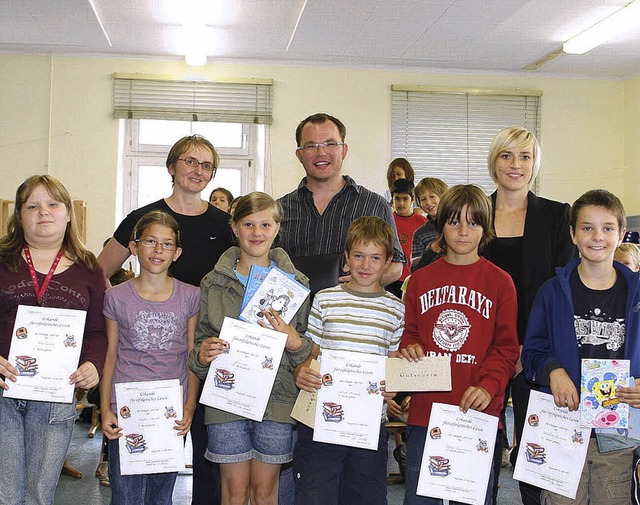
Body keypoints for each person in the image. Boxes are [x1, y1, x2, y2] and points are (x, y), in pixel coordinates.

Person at [98, 134, 233, 505]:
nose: (198, 170)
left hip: (203, 356)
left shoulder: (225, 225)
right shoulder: (142, 219)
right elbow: (99, 272)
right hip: (140, 370)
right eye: (190, 161)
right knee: (136, 470)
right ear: (172, 166)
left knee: (205, 459)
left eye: (207, 165)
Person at [188, 192, 312, 505]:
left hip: (278, 398)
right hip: (226, 397)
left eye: (265, 224)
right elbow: (200, 344)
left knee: (265, 493)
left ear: (277, 229)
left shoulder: (296, 284)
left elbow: (307, 350)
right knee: (234, 493)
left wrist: (292, 339)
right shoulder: (212, 282)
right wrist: (203, 355)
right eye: (248, 224)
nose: (257, 232)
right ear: (234, 227)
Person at [399, 184, 519, 505]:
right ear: (441, 225)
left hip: (476, 414)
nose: (463, 231)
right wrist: (409, 347)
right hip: (427, 414)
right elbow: (410, 333)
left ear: (485, 228)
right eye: (454, 222)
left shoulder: (500, 282)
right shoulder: (420, 280)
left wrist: (488, 385)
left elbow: (507, 348)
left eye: (473, 223)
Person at [522, 189, 640, 505]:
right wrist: (553, 370)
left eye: (607, 228)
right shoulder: (551, 292)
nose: (597, 236)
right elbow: (531, 352)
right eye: (587, 227)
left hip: (618, 427)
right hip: (562, 422)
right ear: (573, 234)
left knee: (612, 499)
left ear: (622, 233)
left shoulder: (637, 294)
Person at [480, 126, 576, 504]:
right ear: (494, 162)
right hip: (483, 350)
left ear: (536, 164)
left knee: (535, 449)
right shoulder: (475, 213)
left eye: (525, 156)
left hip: (534, 352)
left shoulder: (556, 216)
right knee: (480, 443)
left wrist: (525, 348)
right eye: (506, 155)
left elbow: (560, 290)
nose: (515, 165)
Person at [0, 175, 108, 505]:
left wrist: (93, 364)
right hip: (3, 393)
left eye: (52, 204)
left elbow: (98, 331)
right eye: (32, 205)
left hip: (55, 396)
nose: (43, 212)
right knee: (6, 493)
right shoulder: (3, 262)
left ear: (67, 213)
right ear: (19, 215)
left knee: (38, 495)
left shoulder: (89, 268)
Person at [294, 216, 405, 505]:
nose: (366, 265)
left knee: (364, 496)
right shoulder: (325, 299)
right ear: (346, 258)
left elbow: (393, 362)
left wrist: (393, 386)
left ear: (388, 261)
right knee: (316, 494)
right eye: (358, 256)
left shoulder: (396, 309)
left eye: (375, 257)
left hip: (369, 423)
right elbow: (311, 353)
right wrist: (303, 371)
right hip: (322, 419)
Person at [100, 211, 200, 505]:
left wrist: (189, 407)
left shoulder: (191, 296)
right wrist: (106, 409)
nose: (158, 250)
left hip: (170, 414)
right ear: (134, 246)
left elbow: (192, 356)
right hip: (126, 412)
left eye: (167, 244)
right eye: (150, 242)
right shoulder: (116, 297)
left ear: (177, 253)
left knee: (161, 498)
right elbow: (110, 356)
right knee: (125, 497)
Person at [278, 112, 405, 296]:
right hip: (293, 322)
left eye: (330, 144)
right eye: (311, 145)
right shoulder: (278, 211)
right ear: (299, 154)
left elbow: (396, 266)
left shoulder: (374, 205)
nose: (321, 152)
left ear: (344, 150)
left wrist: (363, 280)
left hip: (354, 319)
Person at [388, 179, 426, 298]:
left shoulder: (422, 222)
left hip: (414, 278)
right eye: (397, 199)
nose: (401, 203)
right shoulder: (387, 220)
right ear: (392, 199)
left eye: (405, 199)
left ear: (412, 200)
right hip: (391, 278)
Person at [411, 177, 448, 266]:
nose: (428, 202)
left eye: (432, 196)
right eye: (423, 199)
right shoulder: (420, 234)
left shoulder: (458, 225)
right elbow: (415, 268)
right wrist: (432, 249)